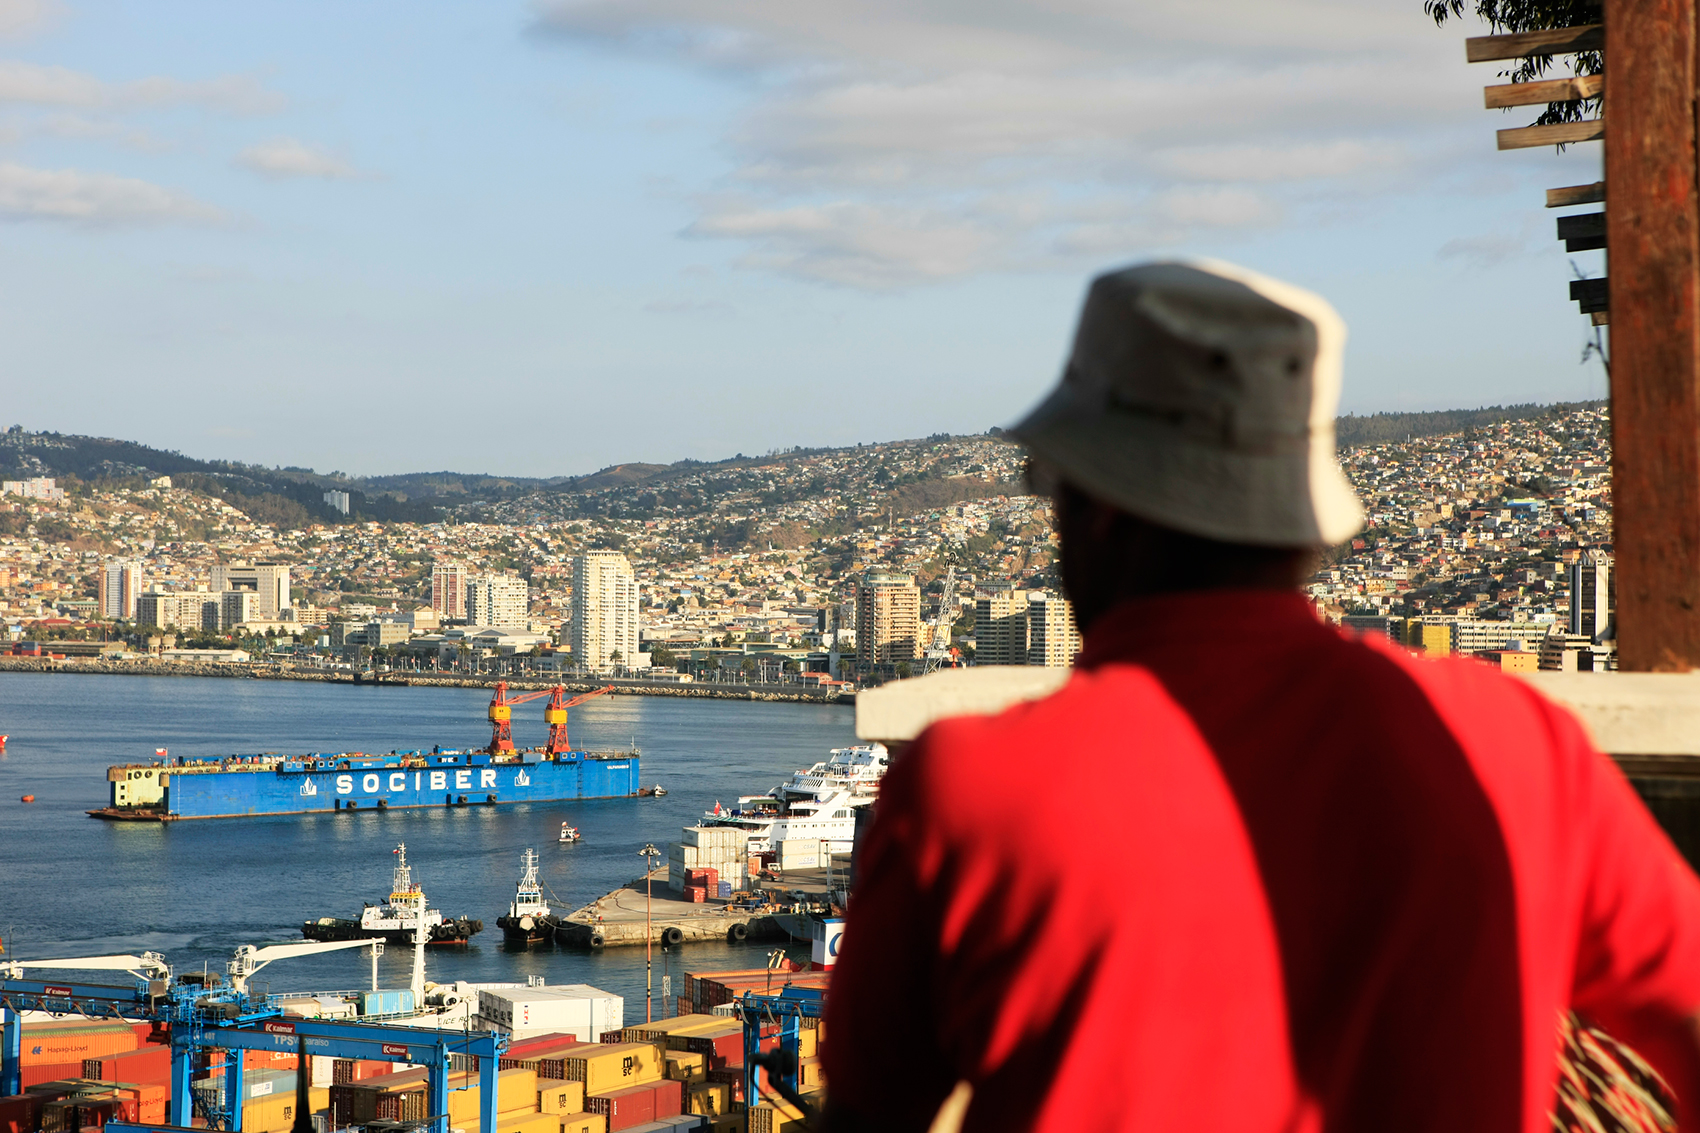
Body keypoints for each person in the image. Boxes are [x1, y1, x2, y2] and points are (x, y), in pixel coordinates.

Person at [820, 261, 1700, 1133]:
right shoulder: (1520, 749)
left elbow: (868, 1112)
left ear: (1102, 507)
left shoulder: (973, 788)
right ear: (1298, 518)